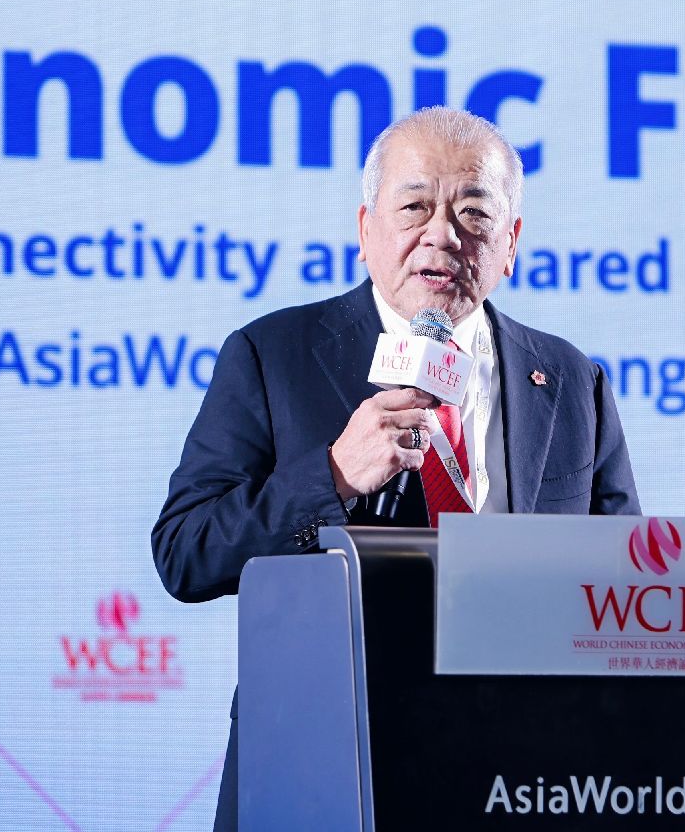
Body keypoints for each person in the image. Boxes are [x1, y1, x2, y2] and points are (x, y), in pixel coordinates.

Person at [152, 106, 641, 831]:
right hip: (325, 764)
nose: (441, 235)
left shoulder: (571, 380)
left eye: (474, 212)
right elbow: (185, 553)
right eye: (414, 207)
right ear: (365, 230)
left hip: (521, 771)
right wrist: (332, 476)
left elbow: (623, 585)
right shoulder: (273, 355)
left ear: (510, 243)